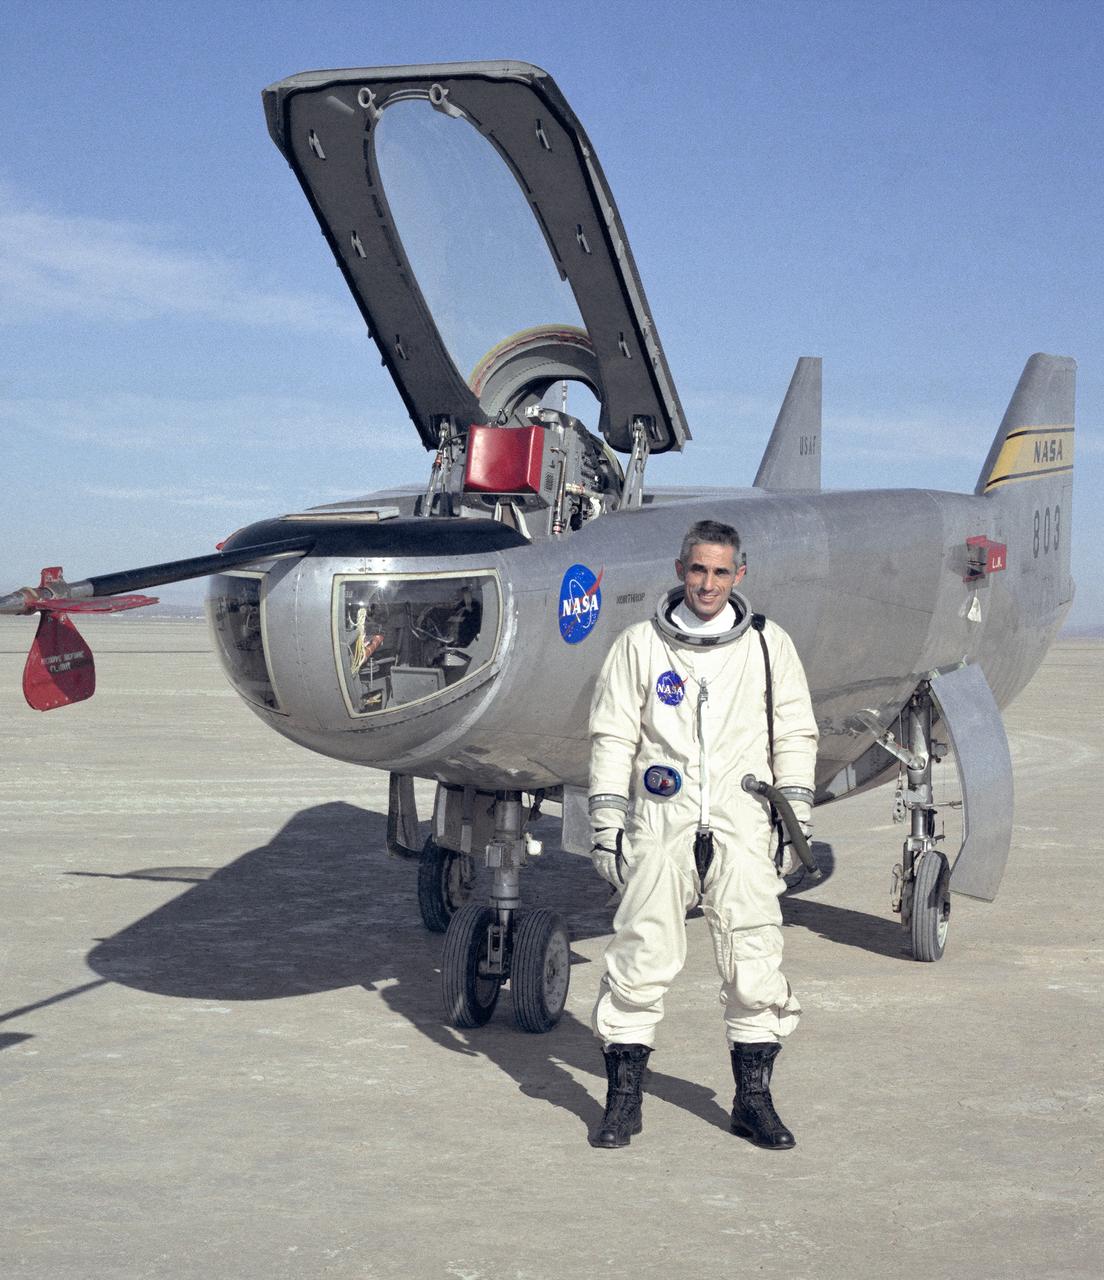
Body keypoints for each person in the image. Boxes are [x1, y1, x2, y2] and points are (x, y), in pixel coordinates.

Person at [586, 519, 818, 1149]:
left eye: (721, 572)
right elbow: (613, 737)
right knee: (641, 955)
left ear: (739, 575)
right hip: (662, 822)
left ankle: (753, 1100)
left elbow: (794, 734)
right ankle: (623, 1103)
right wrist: (607, 825)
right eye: (697, 570)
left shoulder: (768, 646)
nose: (708, 584)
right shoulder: (639, 645)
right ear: (680, 570)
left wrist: (793, 824)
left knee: (755, 959)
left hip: (744, 822)